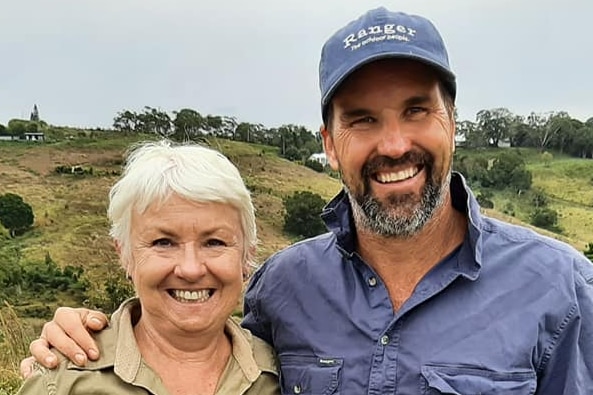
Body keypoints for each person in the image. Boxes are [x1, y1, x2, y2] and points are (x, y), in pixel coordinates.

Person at [23, 7, 593, 394]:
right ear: (329, 142)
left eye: (417, 111)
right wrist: (86, 341)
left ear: (452, 122)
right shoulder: (281, 287)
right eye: (363, 120)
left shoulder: (560, 287)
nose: (395, 145)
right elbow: (194, 348)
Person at [17, 140, 279, 394]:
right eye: (163, 242)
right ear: (125, 256)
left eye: (214, 242)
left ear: (247, 256)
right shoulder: (64, 380)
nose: (190, 269)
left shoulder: (282, 372)